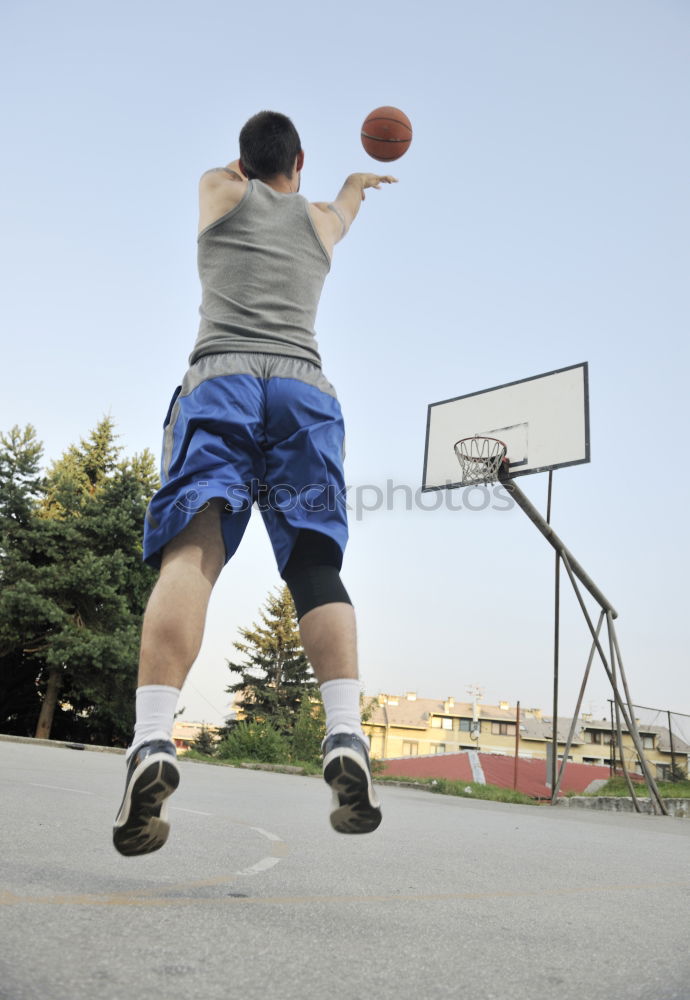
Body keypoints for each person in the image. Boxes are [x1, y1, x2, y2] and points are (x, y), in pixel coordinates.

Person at [112, 110, 397, 856]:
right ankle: (345, 735)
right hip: (305, 390)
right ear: (298, 163)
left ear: (243, 160)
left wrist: (253, 165)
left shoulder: (218, 190)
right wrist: (354, 182)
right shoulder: (320, 222)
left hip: (223, 378)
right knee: (314, 564)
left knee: (192, 556)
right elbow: (344, 209)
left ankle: (152, 742)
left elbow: (241, 173)